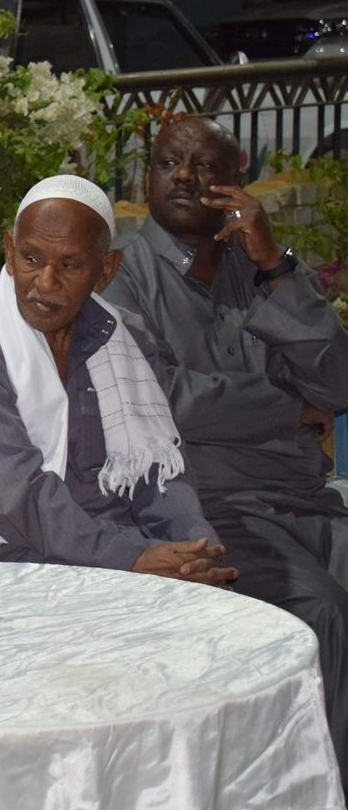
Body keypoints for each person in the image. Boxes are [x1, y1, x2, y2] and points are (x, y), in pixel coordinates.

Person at [104, 116, 348, 775]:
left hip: (304, 496)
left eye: (204, 165)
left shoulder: (260, 267)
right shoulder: (123, 273)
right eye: (168, 163)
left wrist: (275, 265)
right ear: (147, 178)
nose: (184, 176)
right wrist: (292, 407)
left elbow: (336, 381)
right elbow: (166, 398)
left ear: (234, 182)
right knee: (320, 614)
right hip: (210, 508)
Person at [0, 174, 235, 584]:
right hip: (10, 558)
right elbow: (14, 494)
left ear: (105, 270)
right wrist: (133, 557)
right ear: (10, 253)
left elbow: (161, 472)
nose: (46, 283)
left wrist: (195, 549)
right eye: (31, 259)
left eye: (69, 265)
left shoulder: (126, 337)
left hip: (124, 552)